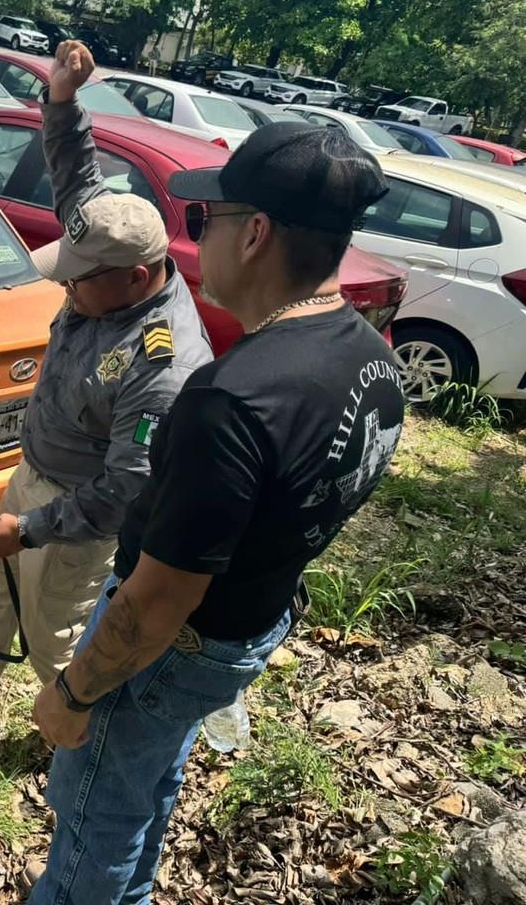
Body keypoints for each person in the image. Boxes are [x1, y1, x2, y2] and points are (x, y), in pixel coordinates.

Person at [28, 86, 404, 903]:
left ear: (257, 232)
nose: (195, 239)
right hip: (249, 626)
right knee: (144, 789)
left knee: (93, 811)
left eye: (207, 222)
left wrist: (70, 691)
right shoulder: (373, 362)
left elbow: (158, 601)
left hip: (177, 646)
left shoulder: (230, 399)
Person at [0, 41, 213, 713]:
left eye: (78, 280)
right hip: (35, 468)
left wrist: (37, 527)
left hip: (81, 512)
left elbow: (127, 488)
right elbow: (77, 177)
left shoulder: (161, 364)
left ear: (137, 278)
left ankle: (71, 722)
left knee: (55, 630)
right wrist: (64, 97)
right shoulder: (112, 241)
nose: (66, 287)